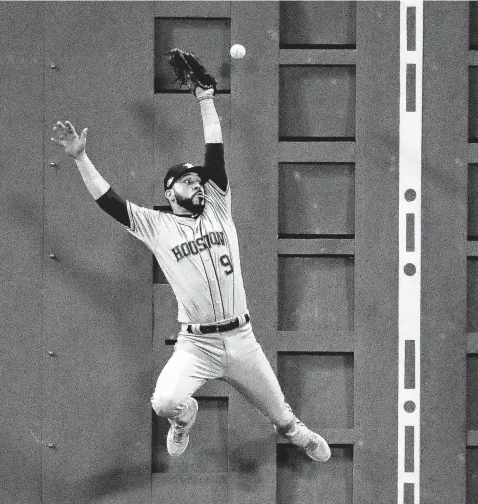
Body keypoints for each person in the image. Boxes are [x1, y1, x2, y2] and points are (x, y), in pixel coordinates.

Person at [51, 85, 331, 463]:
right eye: (188, 183)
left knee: (284, 421)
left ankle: (297, 432)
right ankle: (184, 421)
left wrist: (205, 99)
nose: (198, 186)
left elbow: (214, 147)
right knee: (164, 402)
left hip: (241, 338)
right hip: (197, 345)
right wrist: (81, 158)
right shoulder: (156, 226)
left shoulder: (218, 207)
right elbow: (108, 200)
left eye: (199, 182)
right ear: (170, 192)